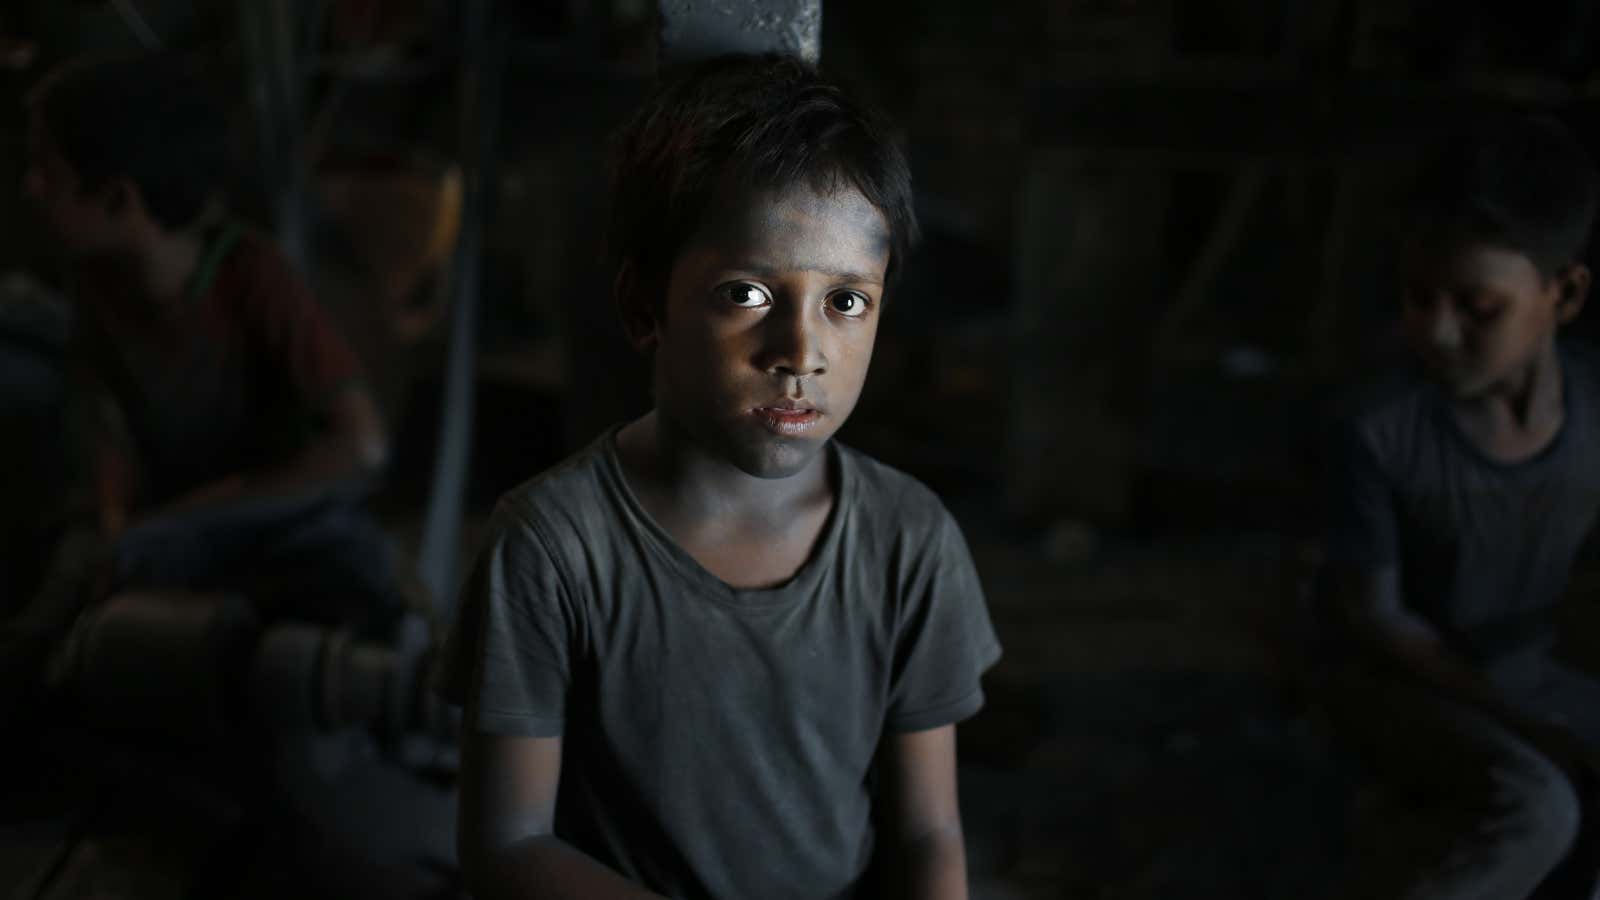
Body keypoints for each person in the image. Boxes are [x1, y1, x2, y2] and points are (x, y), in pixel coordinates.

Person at [437, 54, 1002, 899]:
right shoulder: (553, 549)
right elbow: (507, 847)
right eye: (745, 294)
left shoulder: (909, 541)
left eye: (846, 302)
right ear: (643, 310)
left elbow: (927, 830)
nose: (802, 353)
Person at [16, 53, 397, 636]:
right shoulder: (96, 280)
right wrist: (117, 526)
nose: (30, 188)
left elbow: (362, 444)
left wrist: (186, 518)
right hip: (160, 534)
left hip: (273, 528)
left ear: (120, 200)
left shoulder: (250, 274)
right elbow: (104, 423)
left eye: (47, 171)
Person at [1322, 115, 1600, 898]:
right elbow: (1380, 621)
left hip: (1526, 670)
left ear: (1564, 293)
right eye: (1417, 298)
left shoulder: (1593, 409)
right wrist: (1531, 725)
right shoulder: (1379, 429)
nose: (1437, 332)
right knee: (1539, 807)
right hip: (1396, 685)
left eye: (1478, 308)